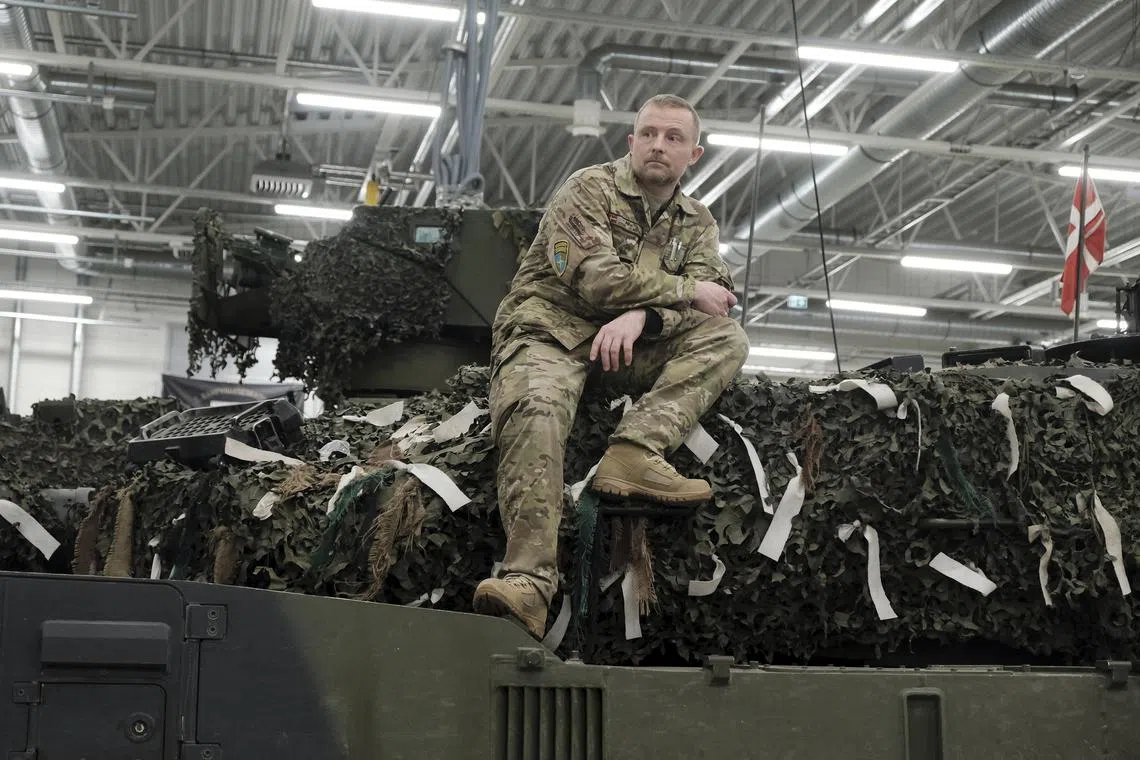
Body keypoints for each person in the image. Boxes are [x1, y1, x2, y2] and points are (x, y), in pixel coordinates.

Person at [472, 94, 750, 638]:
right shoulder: (588, 189)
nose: (657, 145)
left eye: (673, 138)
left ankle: (635, 450)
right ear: (630, 142)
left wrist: (643, 319)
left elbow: (718, 300)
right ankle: (529, 581)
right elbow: (598, 279)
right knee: (538, 408)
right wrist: (682, 292)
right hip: (551, 333)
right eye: (648, 134)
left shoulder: (696, 222)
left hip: (624, 345)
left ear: (693, 154)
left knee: (725, 335)